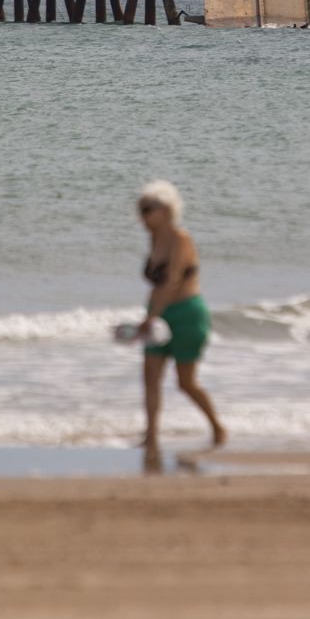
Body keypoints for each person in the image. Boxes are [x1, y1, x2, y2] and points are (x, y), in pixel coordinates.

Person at [136, 180, 226, 458]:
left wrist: (151, 317)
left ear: (166, 210)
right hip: (158, 315)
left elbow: (172, 281)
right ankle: (150, 438)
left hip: (186, 314)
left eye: (147, 209)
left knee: (185, 382)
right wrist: (151, 315)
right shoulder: (154, 240)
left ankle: (217, 427)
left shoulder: (180, 238)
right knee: (150, 377)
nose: (141, 216)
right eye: (139, 209)